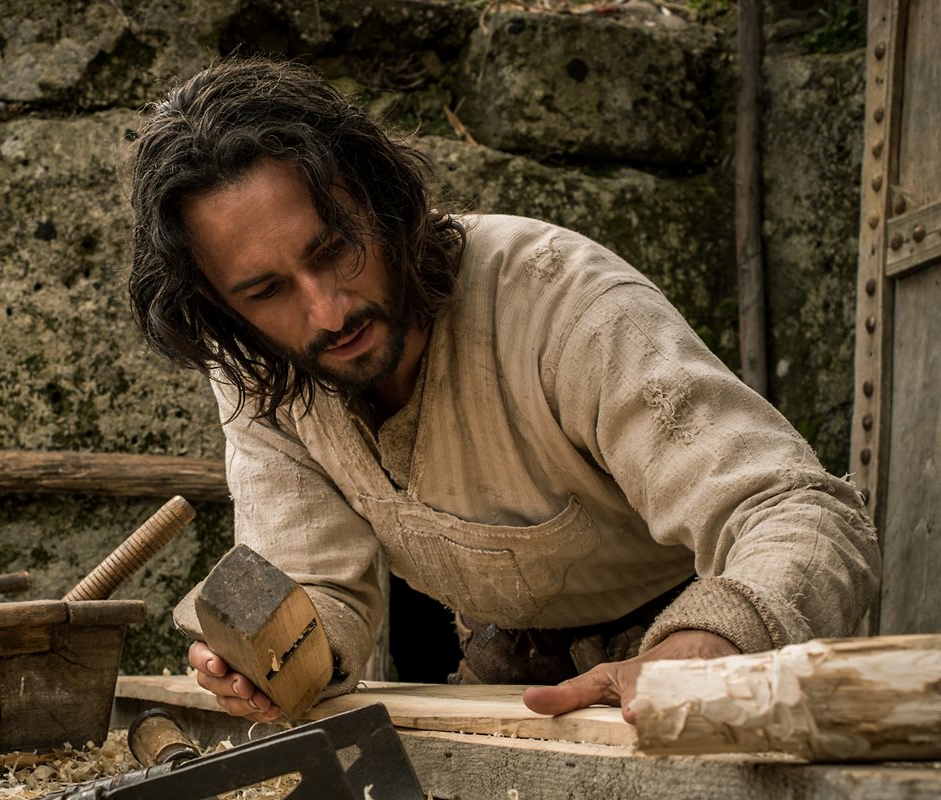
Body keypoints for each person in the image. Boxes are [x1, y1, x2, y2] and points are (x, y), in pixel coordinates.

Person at [126, 57, 879, 724]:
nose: (327, 311)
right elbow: (316, 590)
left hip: (691, 657)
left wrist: (706, 643)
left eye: (335, 248)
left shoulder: (562, 302)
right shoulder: (262, 375)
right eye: (266, 291)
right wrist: (271, 663)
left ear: (382, 202)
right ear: (219, 304)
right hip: (508, 679)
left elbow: (802, 514)